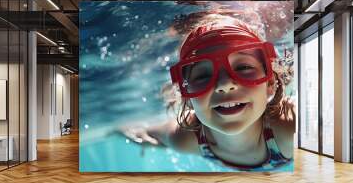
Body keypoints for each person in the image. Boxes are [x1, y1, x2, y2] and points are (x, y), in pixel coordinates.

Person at [123, 14, 295, 171]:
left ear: (270, 82)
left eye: (243, 67)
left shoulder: (289, 125)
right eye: (203, 76)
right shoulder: (184, 139)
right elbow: (144, 131)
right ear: (186, 95)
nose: (225, 84)